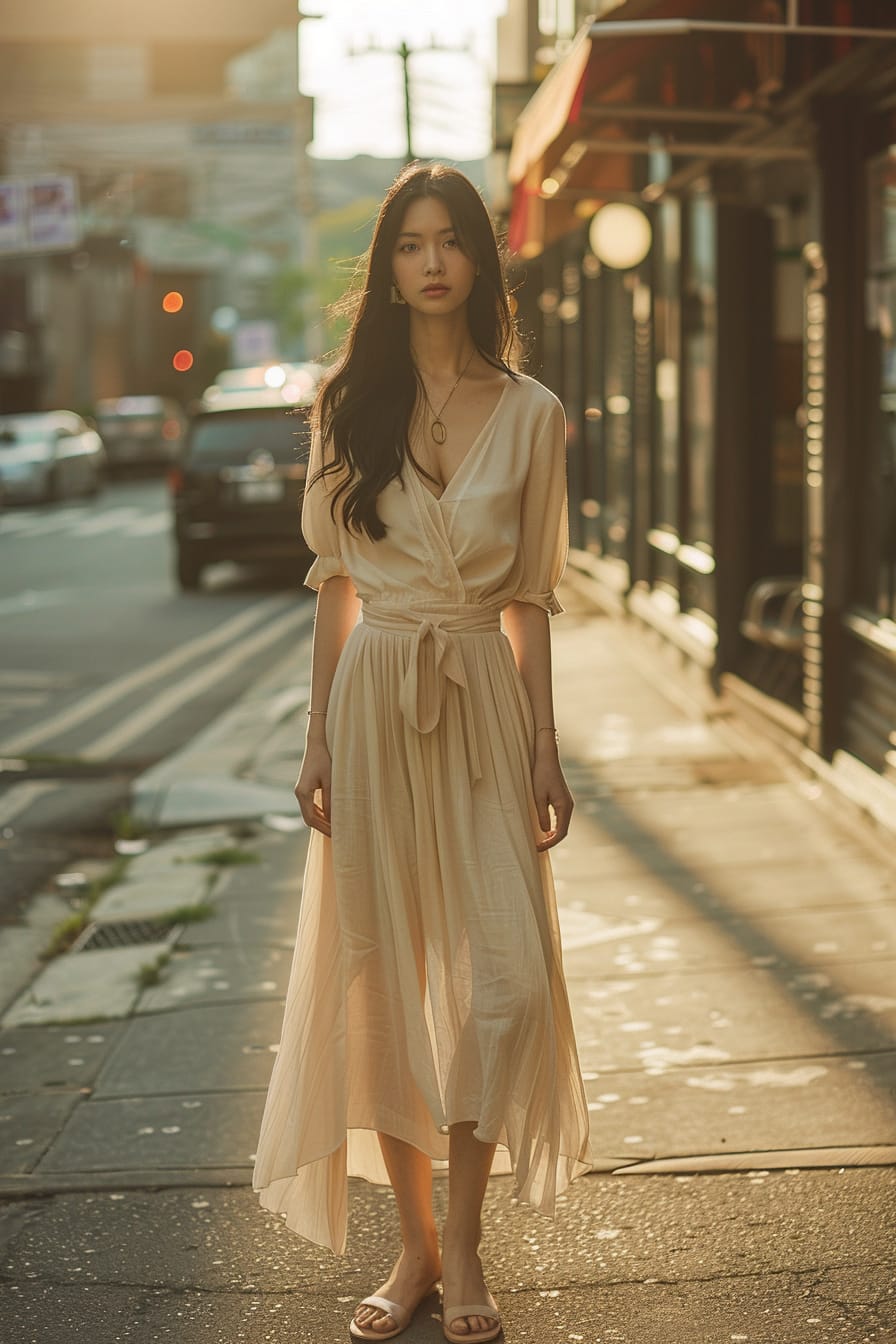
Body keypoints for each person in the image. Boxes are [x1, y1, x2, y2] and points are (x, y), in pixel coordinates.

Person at [252, 162, 591, 1343]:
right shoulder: (345, 400)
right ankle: (416, 1252)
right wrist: (315, 741)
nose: (431, 260)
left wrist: (549, 749)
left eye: (450, 241)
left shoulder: (535, 411)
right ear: (387, 267)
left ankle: (472, 1245)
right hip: (372, 698)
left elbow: (532, 599)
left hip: (483, 703)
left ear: (477, 262)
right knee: (379, 981)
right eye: (409, 243)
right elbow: (331, 587)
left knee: (503, 983)